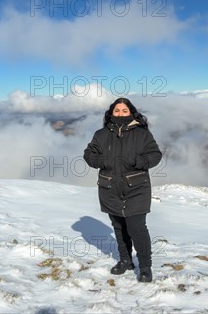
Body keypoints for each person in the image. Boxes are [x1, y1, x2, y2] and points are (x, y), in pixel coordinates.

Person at [83, 97, 162, 282]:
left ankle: (145, 266)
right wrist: (103, 162)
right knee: (119, 227)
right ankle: (126, 260)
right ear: (111, 113)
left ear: (131, 112)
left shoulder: (142, 134)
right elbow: (89, 154)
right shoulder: (101, 134)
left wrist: (140, 162)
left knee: (137, 228)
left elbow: (155, 155)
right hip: (110, 187)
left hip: (137, 187)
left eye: (124, 111)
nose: (120, 114)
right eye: (117, 111)